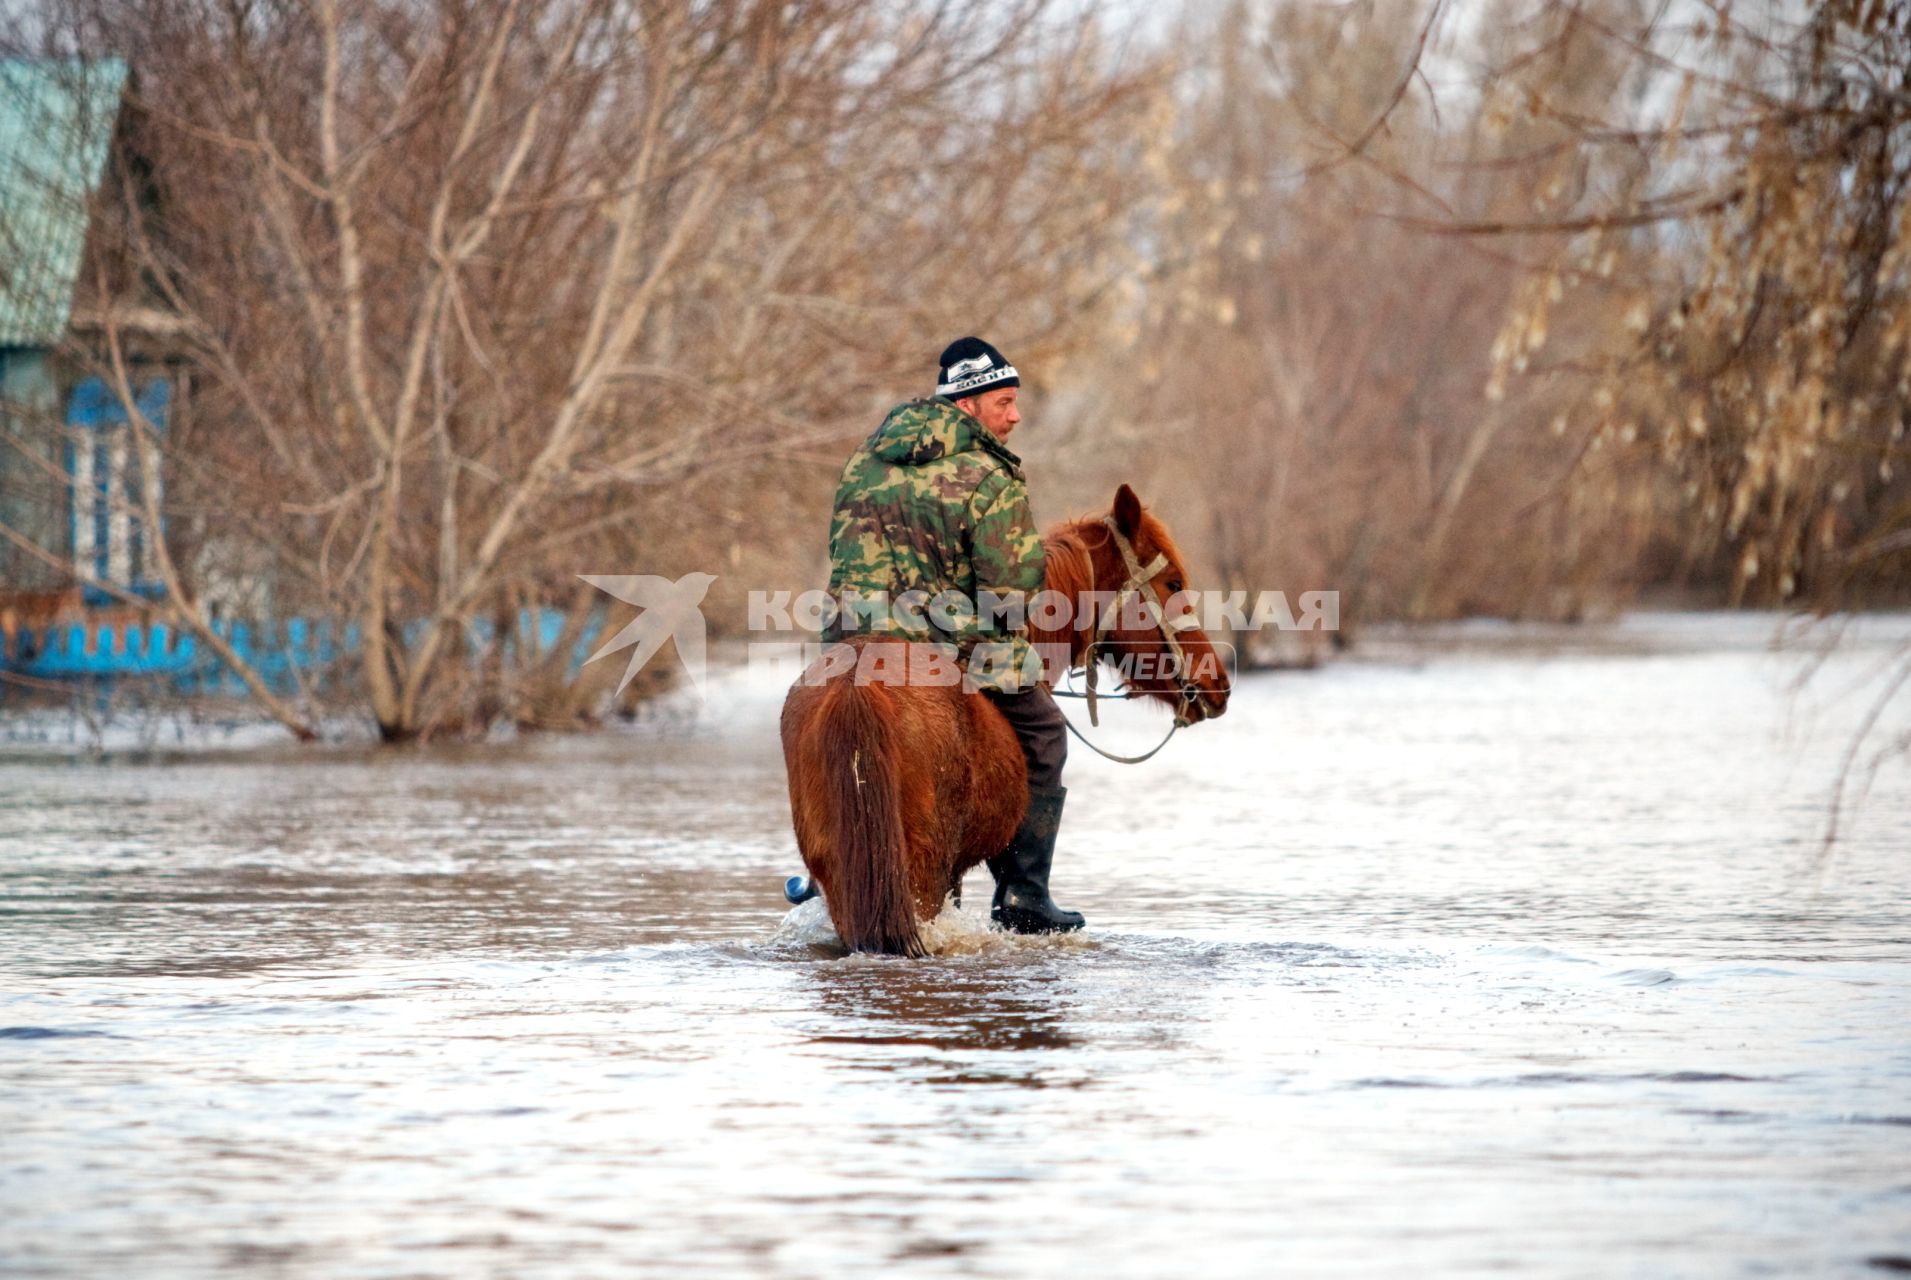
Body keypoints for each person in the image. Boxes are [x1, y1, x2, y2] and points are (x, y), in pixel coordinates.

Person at [820, 337, 1083, 934]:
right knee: (1043, 733)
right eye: (1004, 402)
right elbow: (1010, 592)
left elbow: (839, 553)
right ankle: (1024, 895)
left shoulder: (865, 459)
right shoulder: (990, 474)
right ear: (968, 404)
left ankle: (820, 883)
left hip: (851, 640)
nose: (1014, 415)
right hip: (947, 644)